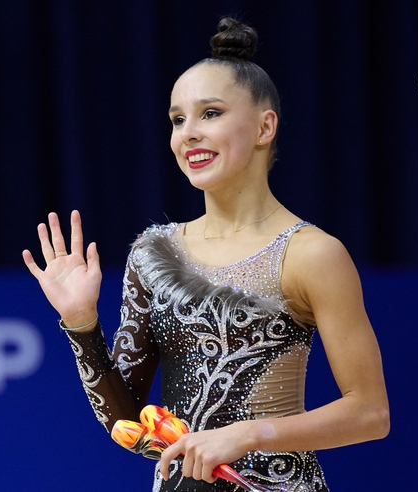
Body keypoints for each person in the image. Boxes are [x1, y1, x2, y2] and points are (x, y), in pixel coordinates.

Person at [23, 17, 389, 492]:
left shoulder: (312, 254)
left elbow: (370, 412)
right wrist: (81, 323)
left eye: (210, 113)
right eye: (178, 119)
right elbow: (131, 429)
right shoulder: (154, 254)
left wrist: (249, 434)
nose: (188, 133)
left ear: (265, 126)